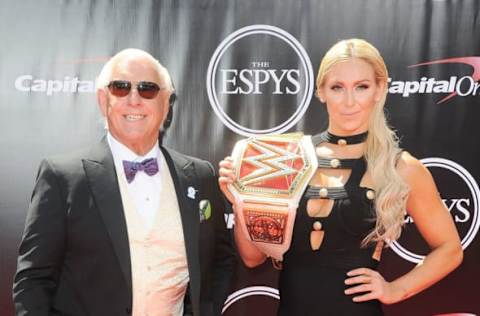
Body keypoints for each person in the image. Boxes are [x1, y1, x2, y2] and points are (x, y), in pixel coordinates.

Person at [218, 39, 463, 315]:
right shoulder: (284, 159)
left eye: (362, 87)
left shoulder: (400, 167)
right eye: (337, 87)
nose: (349, 101)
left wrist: (396, 289)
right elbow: (253, 258)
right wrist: (240, 202)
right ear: (321, 91)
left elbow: (450, 248)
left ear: (380, 89)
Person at [13, 48, 235, 316]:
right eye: (120, 88)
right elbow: (33, 280)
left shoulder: (201, 176)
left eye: (148, 89)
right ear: (102, 99)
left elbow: (221, 260)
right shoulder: (63, 177)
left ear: (166, 104)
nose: (134, 99)